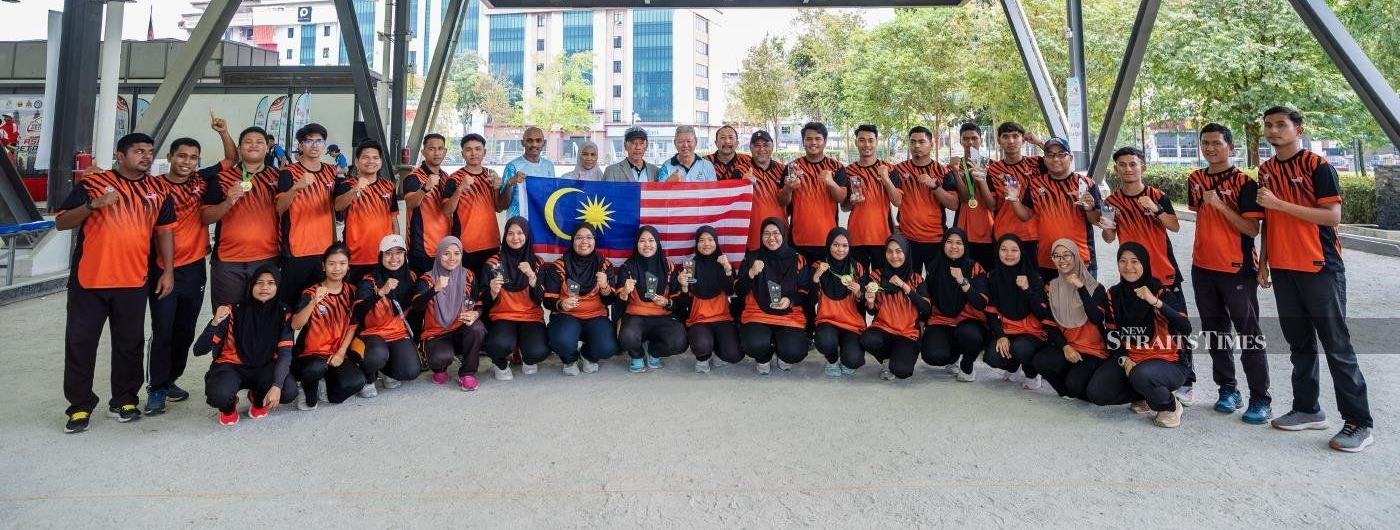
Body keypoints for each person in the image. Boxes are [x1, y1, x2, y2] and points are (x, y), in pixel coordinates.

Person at [1255, 106, 1372, 452]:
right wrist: (1264, 262)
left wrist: (1280, 204)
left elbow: (1332, 216)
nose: (1274, 131)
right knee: (1299, 345)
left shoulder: (1318, 166)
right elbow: (1268, 222)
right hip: (1285, 269)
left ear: (1298, 129)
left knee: (1337, 347)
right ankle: (1308, 409)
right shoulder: (1265, 170)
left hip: (1320, 267)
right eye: (1269, 126)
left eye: (1281, 125)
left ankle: (1359, 422)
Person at [56, 133, 176, 433]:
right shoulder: (92, 184)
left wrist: (168, 270)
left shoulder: (158, 189)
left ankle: (124, 400)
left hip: (133, 281)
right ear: (120, 157)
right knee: (81, 345)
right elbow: (62, 221)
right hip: (90, 282)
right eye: (138, 151)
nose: (146, 156)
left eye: (149, 151)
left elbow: (164, 232)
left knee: (129, 345)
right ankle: (80, 406)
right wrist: (93, 205)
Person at [1186, 122, 1271, 423]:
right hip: (1203, 268)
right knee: (1215, 333)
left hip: (1237, 270)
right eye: (1205, 143)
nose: (1210, 148)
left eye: (1216, 143)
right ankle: (1228, 389)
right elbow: (1200, 216)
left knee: (1249, 336)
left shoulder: (1245, 183)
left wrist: (1222, 206)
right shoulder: (1195, 178)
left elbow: (1251, 228)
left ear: (1230, 147)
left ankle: (1261, 399)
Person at [1100, 146, 1192, 403]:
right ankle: (1146, 373)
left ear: (1143, 167)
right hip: (1132, 275)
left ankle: (1186, 381)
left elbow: (1174, 226)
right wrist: (1105, 222)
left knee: (1176, 326)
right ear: (1116, 169)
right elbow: (1108, 238)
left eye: (1133, 164)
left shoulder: (1157, 195)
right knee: (1141, 326)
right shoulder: (1111, 202)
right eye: (1122, 165)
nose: (1128, 169)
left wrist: (1156, 209)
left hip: (1164, 274)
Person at [144, 137, 210, 415]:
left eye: (193, 157)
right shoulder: (154, 186)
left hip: (195, 268)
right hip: (162, 268)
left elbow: (231, 160)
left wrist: (222, 132)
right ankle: (155, 388)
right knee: (163, 330)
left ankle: (171, 379)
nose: (186, 162)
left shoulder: (200, 183)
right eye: (181, 156)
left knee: (185, 331)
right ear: (170, 156)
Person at [196, 265, 299, 425]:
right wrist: (215, 322)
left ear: (277, 287)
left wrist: (277, 386)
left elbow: (285, 354)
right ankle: (229, 407)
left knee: (288, 391)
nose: (264, 287)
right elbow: (199, 350)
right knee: (219, 395)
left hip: (265, 367)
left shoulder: (284, 313)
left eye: (271, 283)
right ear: (251, 285)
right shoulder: (232, 311)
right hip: (231, 366)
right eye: (259, 282)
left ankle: (257, 398)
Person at [1105, 243, 1193, 428]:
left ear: (1144, 263)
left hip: (1170, 362)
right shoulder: (1113, 294)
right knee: (1098, 392)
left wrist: (1155, 302)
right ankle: (1143, 395)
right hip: (1134, 360)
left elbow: (1186, 327)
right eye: (1123, 261)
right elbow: (1111, 333)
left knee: (1141, 375)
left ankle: (1170, 405)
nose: (1128, 267)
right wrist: (1123, 359)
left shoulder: (1160, 291)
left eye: (1134, 261)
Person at [201, 125, 283, 309]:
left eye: (259, 142)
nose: (253, 145)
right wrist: (228, 202)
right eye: (248, 142)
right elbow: (206, 217)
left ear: (268, 147)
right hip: (228, 262)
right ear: (238, 149)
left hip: (267, 259)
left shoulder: (279, 177)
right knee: (225, 319)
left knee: (262, 316)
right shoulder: (221, 179)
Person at [1032, 239, 1118, 404]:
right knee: (1040, 360)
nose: (1062, 260)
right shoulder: (1051, 287)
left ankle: (1081, 379)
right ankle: (1066, 389)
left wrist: (1081, 288)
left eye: (1066, 255)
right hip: (1068, 346)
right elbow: (1049, 323)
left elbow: (1096, 318)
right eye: (1056, 256)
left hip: (1093, 349)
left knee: (1077, 385)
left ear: (1076, 257)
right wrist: (1065, 347)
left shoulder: (1096, 288)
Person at [1010, 136, 1103, 282]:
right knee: (1051, 304)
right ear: (1045, 159)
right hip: (1047, 260)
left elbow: (1097, 220)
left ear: (1070, 157)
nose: (1056, 159)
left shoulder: (1086, 183)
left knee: (1084, 303)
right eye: (1050, 155)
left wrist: (1090, 208)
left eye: (1061, 154)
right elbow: (1025, 216)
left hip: (1081, 260)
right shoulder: (1035, 184)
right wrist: (1014, 198)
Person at [289, 244, 360, 410]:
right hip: (310, 355)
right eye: (331, 263)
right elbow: (295, 324)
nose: (337, 268)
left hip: (336, 353)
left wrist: (342, 352)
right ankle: (307, 387)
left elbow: (353, 325)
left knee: (355, 383)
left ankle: (324, 383)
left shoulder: (352, 291)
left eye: (342, 263)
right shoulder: (311, 292)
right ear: (323, 266)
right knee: (310, 401)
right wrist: (313, 303)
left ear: (348, 266)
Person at [351, 235, 423, 397]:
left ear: (405, 256)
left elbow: (415, 310)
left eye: (399, 253)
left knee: (411, 371)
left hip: (397, 333)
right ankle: (369, 378)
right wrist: (381, 292)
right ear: (381, 256)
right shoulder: (369, 280)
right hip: (371, 334)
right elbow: (358, 312)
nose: (394, 258)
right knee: (377, 355)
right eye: (388, 253)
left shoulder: (411, 276)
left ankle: (386, 371)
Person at [275, 123, 339, 305]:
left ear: (324, 145)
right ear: (301, 145)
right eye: (309, 141)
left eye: (319, 141)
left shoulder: (331, 171)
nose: (314, 145)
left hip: (324, 251)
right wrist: (296, 188)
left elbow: (336, 207)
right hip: (296, 252)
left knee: (320, 307)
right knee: (290, 306)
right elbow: (279, 207)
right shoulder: (289, 173)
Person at [737, 218, 810, 374]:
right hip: (757, 313)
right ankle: (764, 357)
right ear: (761, 236)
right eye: (766, 234)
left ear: (784, 234)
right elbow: (738, 290)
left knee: (794, 352)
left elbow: (805, 290)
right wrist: (751, 273)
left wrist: (790, 300)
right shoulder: (752, 258)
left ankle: (783, 353)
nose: (771, 238)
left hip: (789, 315)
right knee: (754, 345)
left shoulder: (798, 258)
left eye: (776, 233)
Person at [543, 225, 619, 375]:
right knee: (561, 341)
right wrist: (562, 304)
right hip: (566, 316)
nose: (584, 241)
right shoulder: (558, 266)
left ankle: (587, 355)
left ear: (595, 241)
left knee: (608, 348)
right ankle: (569, 359)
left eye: (589, 237)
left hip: (596, 316)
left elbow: (609, 301)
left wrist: (604, 286)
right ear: (572, 241)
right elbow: (547, 301)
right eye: (579, 237)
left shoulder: (604, 265)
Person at [981, 234, 1052, 390]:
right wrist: (1001, 336)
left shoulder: (1034, 277)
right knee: (992, 356)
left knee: (1021, 349)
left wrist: (1027, 290)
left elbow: (1042, 313)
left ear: (1021, 252)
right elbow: (990, 311)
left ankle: (1031, 372)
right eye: (1004, 249)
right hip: (1007, 328)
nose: (1009, 254)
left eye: (1014, 250)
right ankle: (1013, 367)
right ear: (997, 252)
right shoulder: (992, 277)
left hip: (1032, 331)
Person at [919, 228, 989, 382]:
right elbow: (928, 296)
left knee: (970, 336)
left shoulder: (975, 267)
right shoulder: (934, 267)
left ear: (965, 246)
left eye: (959, 243)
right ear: (943, 244)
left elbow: (981, 303)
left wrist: (963, 281)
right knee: (932, 355)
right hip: (941, 320)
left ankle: (967, 364)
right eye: (949, 242)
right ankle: (952, 357)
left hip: (969, 320)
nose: (954, 246)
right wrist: (923, 320)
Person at [482, 217, 548, 379]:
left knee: (539, 351)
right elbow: (482, 302)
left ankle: (527, 358)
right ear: (505, 237)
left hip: (531, 316)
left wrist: (532, 277)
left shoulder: (537, 263)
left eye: (520, 233)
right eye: (510, 233)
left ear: (527, 235)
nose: (515, 238)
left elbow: (541, 299)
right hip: (502, 316)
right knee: (497, 345)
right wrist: (492, 291)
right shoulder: (493, 264)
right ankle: (501, 364)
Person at [616, 226, 689, 373]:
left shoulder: (669, 266)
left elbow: (678, 301)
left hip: (662, 316)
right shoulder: (628, 266)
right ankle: (636, 355)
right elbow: (617, 301)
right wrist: (624, 292)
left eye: (651, 240)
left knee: (680, 342)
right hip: (636, 316)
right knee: (627, 337)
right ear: (636, 244)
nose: (647, 245)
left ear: (658, 243)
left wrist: (667, 302)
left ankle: (653, 351)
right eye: (642, 241)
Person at [859, 235, 931, 380]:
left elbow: (926, 308)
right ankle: (886, 359)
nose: (894, 256)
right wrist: (871, 301)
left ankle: (899, 356)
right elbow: (871, 311)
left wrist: (904, 286)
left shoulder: (917, 279)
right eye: (889, 251)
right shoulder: (877, 276)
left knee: (902, 371)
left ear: (906, 252)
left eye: (899, 251)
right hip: (883, 327)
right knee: (868, 340)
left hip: (908, 332)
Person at [892, 126, 960, 272]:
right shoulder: (898, 170)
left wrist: (934, 185)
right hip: (907, 239)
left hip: (935, 239)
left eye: (922, 141)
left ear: (932, 144)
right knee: (910, 285)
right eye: (913, 142)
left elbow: (954, 205)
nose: (916, 145)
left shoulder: (943, 171)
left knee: (935, 285)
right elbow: (890, 199)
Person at [675, 226, 742, 372]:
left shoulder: (723, 262)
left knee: (734, 354)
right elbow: (684, 303)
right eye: (702, 240)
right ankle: (703, 358)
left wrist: (727, 269)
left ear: (716, 242)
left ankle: (719, 352)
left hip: (722, 317)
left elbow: (731, 291)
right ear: (696, 244)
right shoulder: (690, 266)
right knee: (702, 346)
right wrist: (684, 286)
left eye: (711, 239)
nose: (706, 244)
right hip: (699, 318)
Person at [334, 140, 400, 281]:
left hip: (384, 255)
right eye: (365, 157)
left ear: (380, 162)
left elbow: (393, 218)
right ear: (357, 162)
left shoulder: (388, 186)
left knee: (383, 298)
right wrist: (355, 190)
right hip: (357, 257)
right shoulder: (347, 185)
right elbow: (338, 206)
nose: (371, 161)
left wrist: (396, 246)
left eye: (375, 158)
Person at [841, 124, 903, 272]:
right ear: (856, 143)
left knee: (881, 282)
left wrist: (886, 179)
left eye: (870, 140)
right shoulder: (848, 171)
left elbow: (897, 201)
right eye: (862, 140)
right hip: (856, 236)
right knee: (859, 282)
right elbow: (844, 207)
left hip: (883, 236)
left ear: (877, 142)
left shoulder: (889, 169)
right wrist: (852, 201)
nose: (866, 144)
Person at [786, 122, 848, 263]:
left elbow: (841, 199)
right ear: (803, 142)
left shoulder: (836, 167)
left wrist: (831, 183)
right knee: (800, 282)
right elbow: (783, 202)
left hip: (828, 239)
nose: (813, 143)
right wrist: (789, 187)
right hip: (798, 239)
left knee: (824, 283)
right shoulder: (792, 167)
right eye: (809, 139)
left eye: (818, 139)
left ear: (825, 141)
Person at [444, 134, 505, 273]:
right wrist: (460, 189)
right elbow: (447, 211)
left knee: (491, 287)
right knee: (468, 287)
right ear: (462, 153)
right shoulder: (454, 178)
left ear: (484, 152)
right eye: (468, 149)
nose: (473, 153)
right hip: (466, 246)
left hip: (492, 243)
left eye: (478, 149)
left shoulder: (492, 175)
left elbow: (499, 208)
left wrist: (498, 189)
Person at [810, 228, 866, 377]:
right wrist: (816, 276)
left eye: (844, 245)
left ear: (849, 247)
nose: (840, 249)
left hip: (851, 323)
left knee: (853, 360)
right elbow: (810, 298)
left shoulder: (857, 267)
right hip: (828, 319)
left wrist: (859, 292)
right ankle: (832, 359)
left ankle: (846, 351)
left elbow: (865, 301)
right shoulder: (819, 266)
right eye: (835, 244)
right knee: (826, 342)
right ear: (829, 245)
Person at [986, 122, 1045, 260]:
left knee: (1033, 279)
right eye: (1005, 137)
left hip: (1034, 234)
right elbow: (992, 205)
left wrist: (1039, 142)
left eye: (1015, 136)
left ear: (1023, 140)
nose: (1011, 141)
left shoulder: (1036, 163)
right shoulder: (993, 170)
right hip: (1004, 234)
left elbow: (1061, 161)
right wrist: (981, 181)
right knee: (1005, 280)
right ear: (999, 141)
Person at [402, 133, 454, 276]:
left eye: (440, 148)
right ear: (423, 152)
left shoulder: (447, 177)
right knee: (422, 291)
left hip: (445, 247)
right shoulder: (413, 177)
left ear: (445, 152)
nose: (436, 153)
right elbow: (410, 203)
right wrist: (425, 188)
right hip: (421, 248)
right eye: (431, 149)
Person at [948, 123, 997, 271]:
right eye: (966, 139)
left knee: (987, 274)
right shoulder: (955, 165)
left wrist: (981, 178)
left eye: (974, 138)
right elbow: (964, 199)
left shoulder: (992, 165)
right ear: (961, 141)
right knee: (964, 273)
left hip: (988, 231)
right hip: (964, 231)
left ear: (981, 140)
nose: (970, 142)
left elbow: (992, 205)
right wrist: (956, 173)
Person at [742, 130, 792, 252]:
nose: (761, 149)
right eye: (757, 145)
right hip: (752, 237)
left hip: (779, 235)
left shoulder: (783, 169)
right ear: (750, 147)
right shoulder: (741, 170)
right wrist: (743, 184)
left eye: (765, 145)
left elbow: (788, 203)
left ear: (772, 147)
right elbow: (734, 204)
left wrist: (789, 187)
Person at [500, 126, 556, 218]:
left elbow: (552, 196)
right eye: (530, 140)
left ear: (544, 143)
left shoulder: (549, 166)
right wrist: (509, 183)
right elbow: (503, 205)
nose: (534, 144)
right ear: (523, 143)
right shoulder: (513, 167)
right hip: (518, 225)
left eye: (538, 140)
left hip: (541, 222)